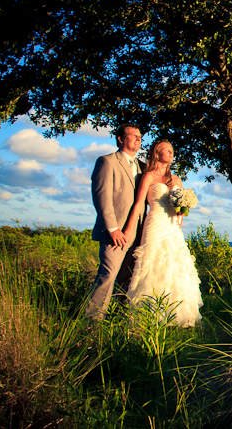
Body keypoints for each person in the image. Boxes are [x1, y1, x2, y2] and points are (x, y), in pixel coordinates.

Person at [123, 139, 202, 327]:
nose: (171, 153)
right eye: (167, 150)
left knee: (176, 267)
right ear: (157, 153)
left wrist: (182, 211)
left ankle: (178, 315)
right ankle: (148, 315)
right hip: (156, 222)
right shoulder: (148, 177)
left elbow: (182, 210)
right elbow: (138, 204)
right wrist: (128, 230)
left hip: (173, 226)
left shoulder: (176, 180)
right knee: (152, 263)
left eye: (172, 150)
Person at [86, 123, 145, 320]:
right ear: (120, 138)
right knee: (108, 276)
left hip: (139, 232)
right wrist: (113, 228)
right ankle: (91, 321)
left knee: (128, 278)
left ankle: (117, 318)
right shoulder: (107, 162)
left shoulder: (142, 166)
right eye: (133, 135)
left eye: (140, 136)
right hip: (116, 233)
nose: (138, 139)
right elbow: (102, 198)